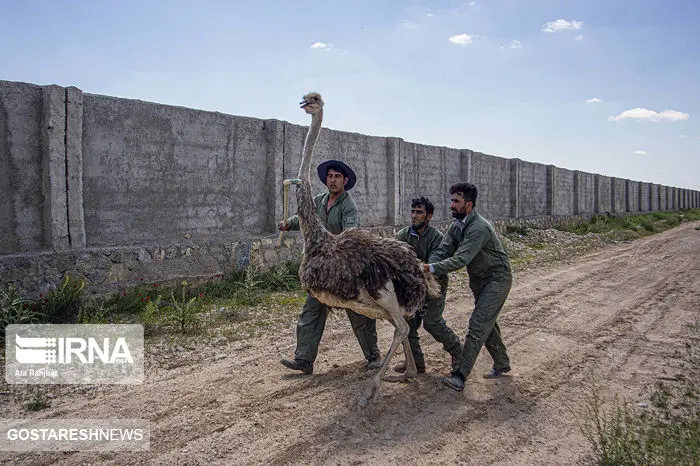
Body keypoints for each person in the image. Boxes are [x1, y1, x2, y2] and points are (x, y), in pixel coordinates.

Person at [279, 159, 381, 374]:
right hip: (321, 270)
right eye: (330, 176)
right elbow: (304, 216)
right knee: (311, 311)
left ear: (345, 181)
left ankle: (374, 357)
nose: (333, 180)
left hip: (343, 269)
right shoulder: (319, 201)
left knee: (358, 312)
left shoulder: (348, 206)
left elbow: (351, 234)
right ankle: (304, 360)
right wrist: (288, 223)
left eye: (337, 177)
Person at [424, 182, 512, 391]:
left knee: (478, 324)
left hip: (497, 279)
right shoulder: (457, 226)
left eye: (456, 201)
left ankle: (460, 376)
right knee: (487, 324)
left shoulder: (479, 228)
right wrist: (430, 264)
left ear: (469, 205)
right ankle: (502, 363)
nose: (451, 205)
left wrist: (431, 268)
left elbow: (461, 259)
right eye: (451, 200)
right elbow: (444, 249)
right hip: (479, 280)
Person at [393, 197, 462, 373]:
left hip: (434, 285)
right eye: (413, 211)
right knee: (407, 323)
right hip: (412, 286)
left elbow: (434, 266)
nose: (414, 215)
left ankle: (459, 353)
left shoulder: (437, 238)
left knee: (432, 322)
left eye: (419, 212)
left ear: (429, 216)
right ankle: (416, 363)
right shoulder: (403, 236)